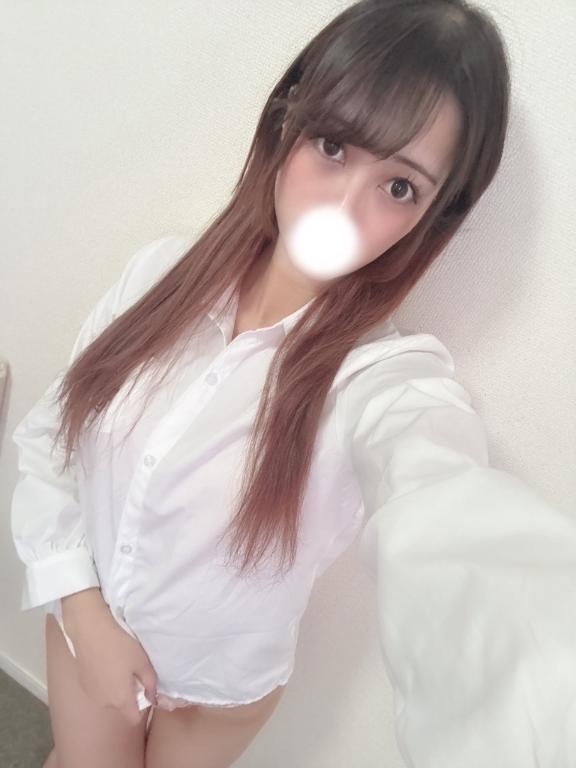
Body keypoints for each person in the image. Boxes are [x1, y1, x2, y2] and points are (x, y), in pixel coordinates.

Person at [10, 1, 576, 766]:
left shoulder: (380, 380)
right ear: (287, 123)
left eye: (400, 187)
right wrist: (84, 609)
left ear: (433, 217)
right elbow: (51, 441)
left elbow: (444, 501)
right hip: (89, 622)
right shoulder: (158, 275)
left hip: (217, 691)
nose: (343, 205)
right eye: (333, 146)